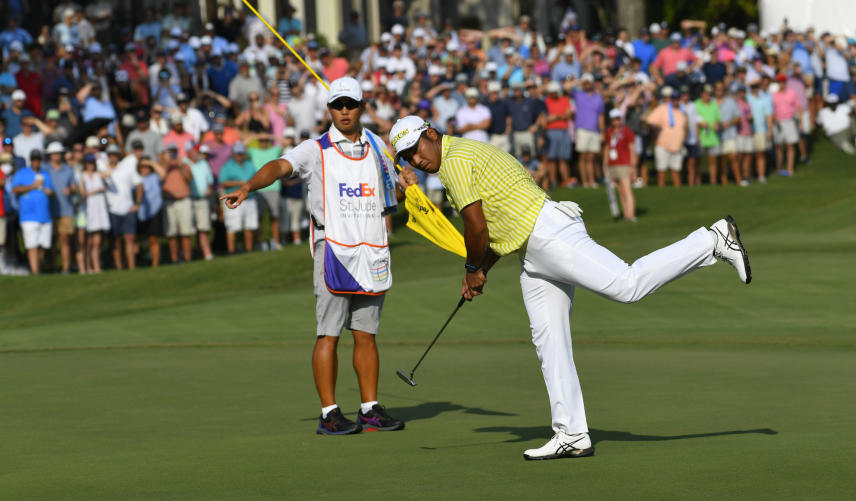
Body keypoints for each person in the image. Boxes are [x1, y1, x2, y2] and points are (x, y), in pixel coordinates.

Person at [391, 115, 752, 460]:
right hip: (532, 250)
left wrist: (472, 269)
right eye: (407, 157)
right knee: (549, 339)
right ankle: (572, 433)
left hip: (549, 235)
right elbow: (499, 228)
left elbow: (476, 227)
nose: (416, 160)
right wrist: (481, 270)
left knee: (627, 285)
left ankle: (712, 240)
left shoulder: (455, 160)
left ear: (432, 134)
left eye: (416, 149)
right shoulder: (462, 154)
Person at [221, 76, 404, 436]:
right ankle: (329, 412)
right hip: (332, 248)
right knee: (329, 334)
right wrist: (248, 186)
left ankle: (369, 408)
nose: (344, 111)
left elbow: (392, 186)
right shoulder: (314, 148)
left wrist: (406, 179)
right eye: (338, 105)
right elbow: (279, 167)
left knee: (366, 333)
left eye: (350, 104)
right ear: (329, 110)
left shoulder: (379, 146)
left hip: (371, 249)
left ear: (362, 106)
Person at [11, 149, 53, 274]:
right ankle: (35, 272)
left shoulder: (45, 174)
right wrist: (32, 186)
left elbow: (51, 189)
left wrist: (50, 192)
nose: (36, 162)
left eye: (38, 159)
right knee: (32, 245)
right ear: (31, 160)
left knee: (43, 246)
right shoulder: (22, 173)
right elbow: (15, 189)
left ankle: (37, 269)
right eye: (34, 159)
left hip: (45, 215)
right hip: (28, 215)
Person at [103, 145, 142, 270]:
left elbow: (139, 184)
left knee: (129, 238)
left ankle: (131, 267)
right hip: (112, 209)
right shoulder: (103, 169)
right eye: (110, 154)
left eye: (114, 154)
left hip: (128, 208)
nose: (112, 157)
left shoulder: (127, 168)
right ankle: (119, 267)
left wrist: (137, 203)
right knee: (116, 240)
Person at [42, 141, 77, 273]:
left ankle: (66, 268)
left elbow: (74, 187)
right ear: (50, 155)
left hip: (65, 209)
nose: (56, 155)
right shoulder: (44, 169)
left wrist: (71, 190)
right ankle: (54, 266)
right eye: (54, 153)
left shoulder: (68, 169)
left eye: (58, 153)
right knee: (52, 240)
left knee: (64, 239)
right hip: (49, 209)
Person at [218, 142, 258, 253]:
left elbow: (255, 178)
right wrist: (239, 183)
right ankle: (231, 251)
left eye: (241, 153)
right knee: (232, 226)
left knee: (250, 225)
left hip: (250, 198)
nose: (240, 155)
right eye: (238, 153)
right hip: (234, 199)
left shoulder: (249, 164)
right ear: (233, 154)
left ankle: (249, 249)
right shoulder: (227, 166)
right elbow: (223, 182)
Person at [645, 86, 686, 187]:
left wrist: (682, 141)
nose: (676, 101)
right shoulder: (662, 108)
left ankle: (677, 194)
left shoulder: (682, 111)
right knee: (661, 170)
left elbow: (685, 127)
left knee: (676, 171)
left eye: (677, 99)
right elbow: (649, 122)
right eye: (674, 99)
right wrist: (655, 135)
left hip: (676, 146)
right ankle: (661, 192)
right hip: (663, 145)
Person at [601, 109, 636, 221]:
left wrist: (633, 166)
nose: (616, 121)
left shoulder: (626, 131)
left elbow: (632, 149)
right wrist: (605, 165)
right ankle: (626, 215)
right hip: (613, 164)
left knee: (627, 191)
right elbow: (607, 148)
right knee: (620, 191)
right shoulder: (609, 132)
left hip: (624, 164)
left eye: (618, 119)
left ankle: (631, 215)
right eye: (614, 119)